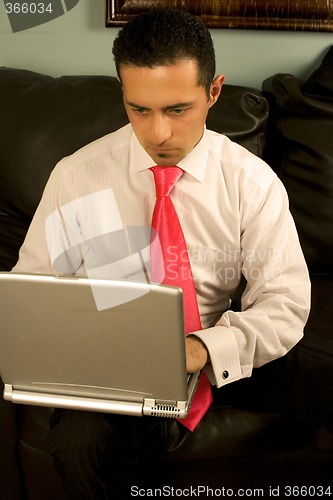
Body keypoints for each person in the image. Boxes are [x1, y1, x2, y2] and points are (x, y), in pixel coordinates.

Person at [13, 9, 310, 499]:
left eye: (177, 109)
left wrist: (198, 350)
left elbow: (285, 302)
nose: (157, 135)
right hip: (114, 359)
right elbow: (34, 293)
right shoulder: (77, 176)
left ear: (214, 91)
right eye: (138, 110)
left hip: (212, 341)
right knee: (80, 441)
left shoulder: (250, 181)